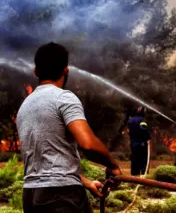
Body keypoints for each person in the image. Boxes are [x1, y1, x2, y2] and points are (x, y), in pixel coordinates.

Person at [16, 42, 123, 213]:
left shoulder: (25, 107)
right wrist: (113, 165)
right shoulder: (64, 98)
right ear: (66, 70)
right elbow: (87, 144)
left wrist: (86, 183)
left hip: (31, 195)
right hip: (62, 196)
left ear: (36, 71)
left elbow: (48, 163)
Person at [127, 106, 151, 176]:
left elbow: (129, 131)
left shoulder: (130, 120)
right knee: (144, 160)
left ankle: (134, 174)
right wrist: (148, 138)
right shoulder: (142, 120)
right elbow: (143, 129)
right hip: (142, 143)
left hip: (133, 144)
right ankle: (144, 174)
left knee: (134, 159)